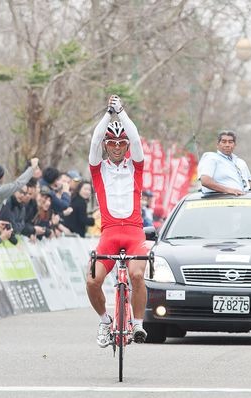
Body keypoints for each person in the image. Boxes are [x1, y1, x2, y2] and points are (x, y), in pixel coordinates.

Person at [87, 94, 149, 347]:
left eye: (120, 143)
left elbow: (136, 138)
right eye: (111, 142)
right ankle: (104, 321)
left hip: (134, 232)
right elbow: (93, 141)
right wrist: (107, 114)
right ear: (106, 145)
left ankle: (138, 325)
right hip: (109, 234)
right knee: (92, 281)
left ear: (126, 146)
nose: (116, 146)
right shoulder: (98, 169)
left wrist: (121, 112)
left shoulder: (136, 167)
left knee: (136, 275)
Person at [198, 130, 251, 195]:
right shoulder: (211, 158)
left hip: (243, 199)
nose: (227, 145)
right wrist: (229, 190)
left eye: (230, 142)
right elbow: (205, 181)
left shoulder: (240, 162)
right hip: (219, 200)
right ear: (217, 145)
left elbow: (248, 181)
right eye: (224, 142)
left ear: (235, 145)